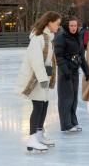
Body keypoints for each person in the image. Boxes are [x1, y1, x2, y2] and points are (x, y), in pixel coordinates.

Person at [15, 11, 61, 152]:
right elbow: (36, 61)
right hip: (35, 78)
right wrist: (42, 79)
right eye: (57, 24)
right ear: (49, 22)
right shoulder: (38, 38)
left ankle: (39, 135)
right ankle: (32, 138)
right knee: (38, 107)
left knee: (44, 105)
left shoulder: (48, 37)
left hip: (43, 77)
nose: (58, 27)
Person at [55, 16, 89, 132]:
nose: (74, 28)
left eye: (75, 26)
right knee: (66, 98)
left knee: (74, 98)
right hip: (65, 73)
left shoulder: (78, 37)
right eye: (71, 25)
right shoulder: (61, 37)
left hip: (74, 71)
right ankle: (66, 124)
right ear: (67, 26)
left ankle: (73, 122)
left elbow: (81, 56)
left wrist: (87, 70)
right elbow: (58, 56)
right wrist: (65, 71)